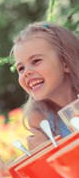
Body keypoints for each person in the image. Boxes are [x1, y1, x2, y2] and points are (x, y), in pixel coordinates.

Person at [11, 21, 79, 150]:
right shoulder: (42, 123)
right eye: (21, 68)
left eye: (35, 61)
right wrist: (45, 151)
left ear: (65, 63)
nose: (26, 72)